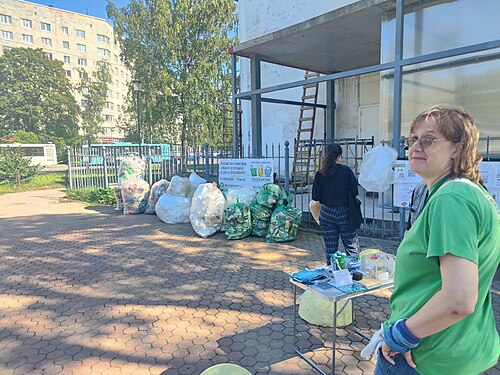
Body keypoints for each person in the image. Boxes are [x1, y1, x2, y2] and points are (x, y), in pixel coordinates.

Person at [371, 105, 500, 374]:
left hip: (422, 356)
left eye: (428, 139)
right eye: (412, 138)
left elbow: (459, 299)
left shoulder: (451, 199)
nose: (415, 146)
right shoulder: (471, 192)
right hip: (458, 350)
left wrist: (399, 336)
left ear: (457, 148)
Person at [310, 143, 361, 265]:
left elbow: (315, 197)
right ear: (339, 157)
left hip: (327, 213)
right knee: (351, 246)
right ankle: (355, 274)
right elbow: (355, 191)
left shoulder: (320, 174)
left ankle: (333, 275)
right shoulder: (346, 171)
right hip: (345, 212)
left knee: (331, 249)